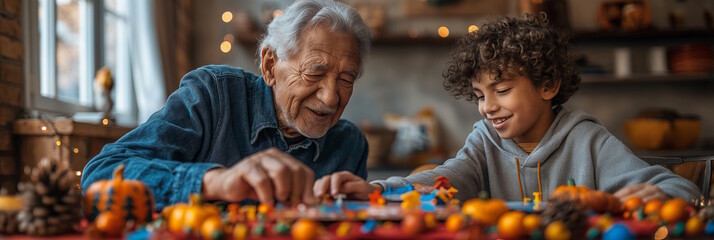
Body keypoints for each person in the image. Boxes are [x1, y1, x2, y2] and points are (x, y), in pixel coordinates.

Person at [313, 13, 700, 203]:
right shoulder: (484, 141)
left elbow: (676, 187)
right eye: (481, 95)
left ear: (548, 85)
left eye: (502, 90)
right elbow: (445, 179)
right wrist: (376, 191)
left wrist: (661, 195)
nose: (488, 107)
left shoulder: (587, 139)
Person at [81, 0, 373, 209]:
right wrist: (216, 182)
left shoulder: (350, 145)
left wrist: (370, 202)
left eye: (346, 79)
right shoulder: (212, 96)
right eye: (315, 72)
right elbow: (101, 174)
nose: (331, 97)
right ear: (270, 66)